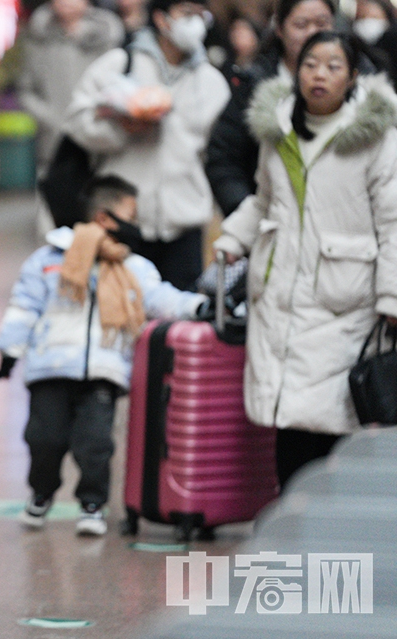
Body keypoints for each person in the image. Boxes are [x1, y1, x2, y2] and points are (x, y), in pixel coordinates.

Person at [214, 31, 397, 489]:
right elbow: (263, 200)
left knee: (335, 419)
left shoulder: (378, 138)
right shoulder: (277, 131)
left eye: (334, 66)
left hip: (345, 298)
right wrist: (233, 237)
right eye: (311, 64)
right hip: (281, 293)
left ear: (354, 76)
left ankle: (330, 530)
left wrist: (392, 296)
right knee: (290, 417)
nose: (320, 75)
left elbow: (394, 221)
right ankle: (293, 525)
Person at [0, 175, 209, 535]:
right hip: (50, 367)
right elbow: (24, 305)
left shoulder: (133, 268)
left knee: (97, 443)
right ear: (104, 218)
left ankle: (92, 503)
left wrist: (198, 306)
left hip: (103, 368)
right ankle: (41, 491)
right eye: (130, 215)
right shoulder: (49, 259)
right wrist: (10, 352)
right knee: (44, 439)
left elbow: (160, 298)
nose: (136, 226)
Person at [65, 0, 229, 291]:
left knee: (178, 322)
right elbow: (77, 120)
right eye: (185, 14)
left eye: (200, 15)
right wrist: (121, 129)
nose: (195, 23)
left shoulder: (211, 82)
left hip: (184, 224)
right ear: (161, 19)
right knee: (120, 314)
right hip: (121, 222)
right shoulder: (119, 64)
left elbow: (218, 155)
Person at [205, 0, 339, 217]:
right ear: (279, 29)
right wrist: (246, 216)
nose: (312, 33)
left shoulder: (361, 83)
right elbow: (224, 159)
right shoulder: (254, 85)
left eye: (322, 23)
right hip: (271, 224)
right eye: (301, 25)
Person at [17, 0, 124, 176]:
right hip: (52, 143)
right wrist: (48, 117)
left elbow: (116, 86)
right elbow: (25, 89)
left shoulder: (105, 35)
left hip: (98, 139)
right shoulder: (38, 36)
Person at [352, 0, 397, 82]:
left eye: (374, 17)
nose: (368, 22)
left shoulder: (393, 44)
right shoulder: (353, 50)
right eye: (363, 18)